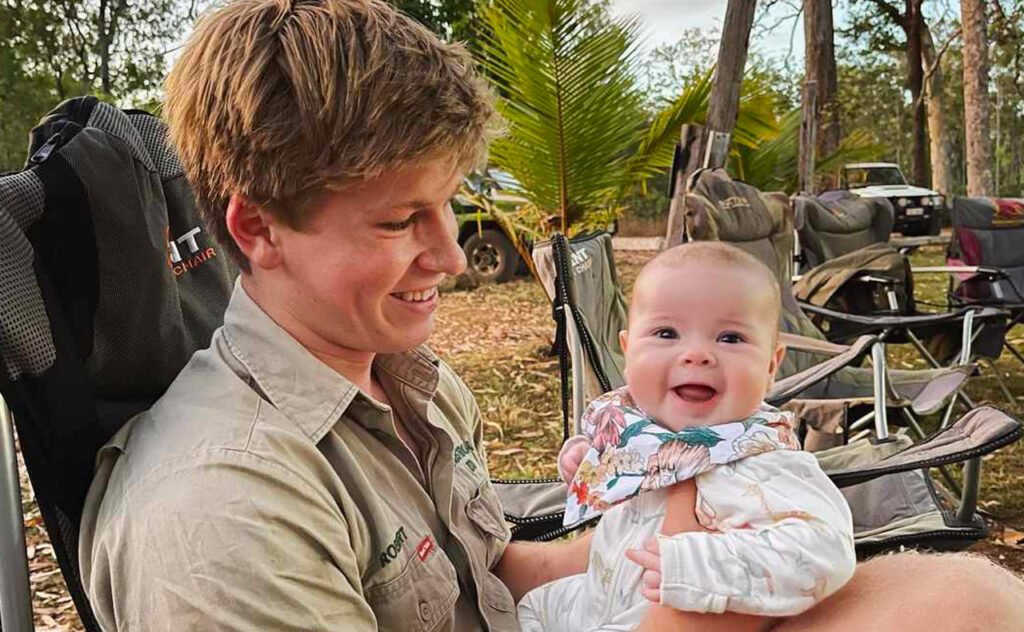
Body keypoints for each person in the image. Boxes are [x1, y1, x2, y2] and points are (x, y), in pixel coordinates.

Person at [76, 0, 1024, 630]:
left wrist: (688, 523)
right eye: (402, 220)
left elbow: (489, 573)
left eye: (449, 205)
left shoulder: (409, 381)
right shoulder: (219, 516)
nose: (450, 257)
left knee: (967, 603)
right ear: (259, 229)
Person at [517, 243, 856, 632]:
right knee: (533, 606)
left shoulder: (763, 461)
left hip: (651, 617)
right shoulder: (637, 423)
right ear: (627, 352)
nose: (696, 354)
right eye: (666, 333)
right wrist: (585, 458)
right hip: (593, 601)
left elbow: (825, 551)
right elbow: (621, 468)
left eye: (729, 338)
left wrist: (695, 565)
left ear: (770, 365)